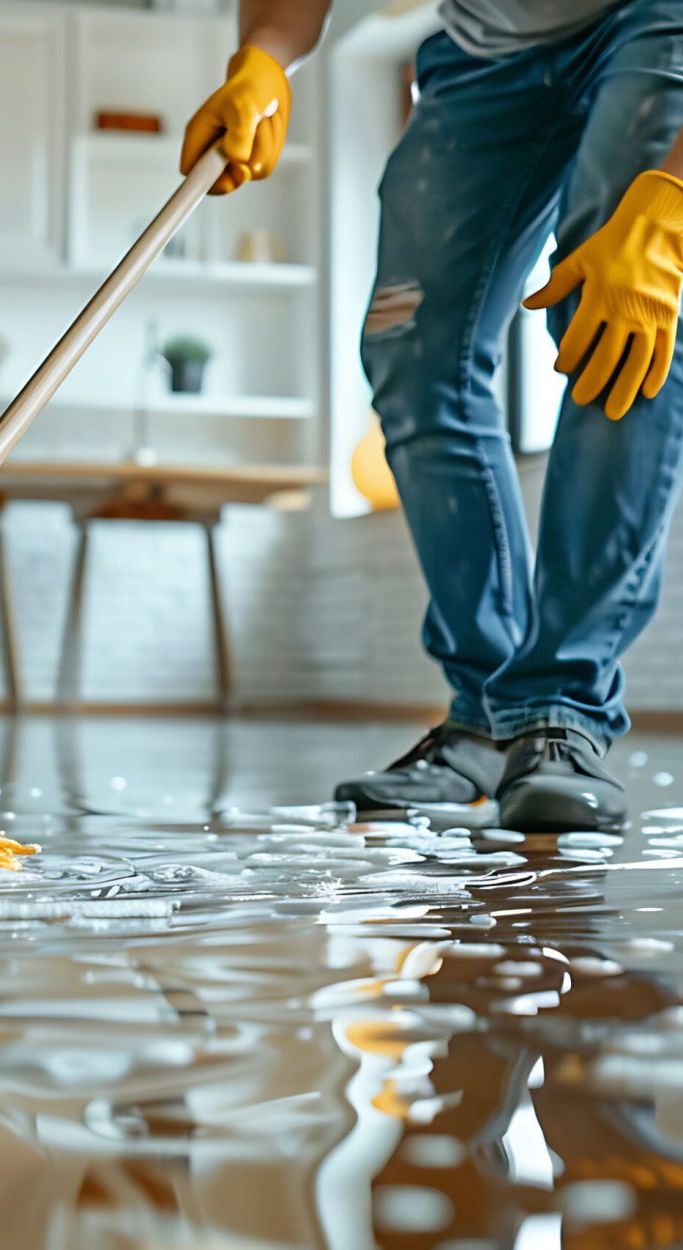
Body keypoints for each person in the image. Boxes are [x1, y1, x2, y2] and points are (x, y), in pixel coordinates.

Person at [182, 0, 683, 832]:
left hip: (654, 19)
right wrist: (266, 53)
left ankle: (561, 709)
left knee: (619, 319)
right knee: (409, 346)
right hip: (483, 53)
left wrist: (672, 194)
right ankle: (489, 713)